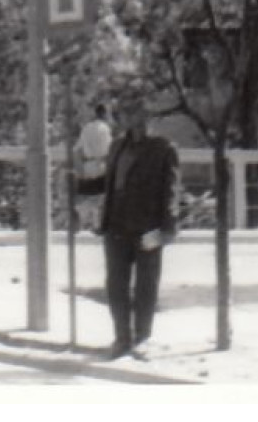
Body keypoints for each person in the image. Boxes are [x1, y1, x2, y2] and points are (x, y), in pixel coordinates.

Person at [98, 94, 180, 360]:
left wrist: (168, 228)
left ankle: (143, 337)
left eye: (141, 114)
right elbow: (109, 184)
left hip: (148, 227)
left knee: (146, 285)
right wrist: (77, 185)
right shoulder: (116, 147)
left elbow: (171, 191)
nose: (135, 120)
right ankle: (122, 337)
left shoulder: (163, 148)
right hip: (116, 227)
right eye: (129, 114)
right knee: (116, 285)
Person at [72, 103, 114, 231]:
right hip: (100, 164)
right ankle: (97, 224)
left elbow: (77, 150)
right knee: (101, 195)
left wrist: (79, 169)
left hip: (87, 164)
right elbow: (109, 149)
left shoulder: (87, 127)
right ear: (105, 114)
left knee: (87, 193)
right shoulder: (105, 129)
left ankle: (82, 218)